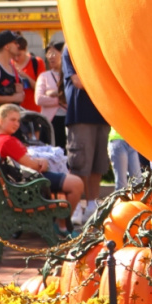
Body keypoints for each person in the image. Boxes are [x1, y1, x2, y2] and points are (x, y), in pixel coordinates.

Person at [0, 104, 84, 226]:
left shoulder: (0, 139)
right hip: (29, 184)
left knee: (71, 182)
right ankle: (62, 226)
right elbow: (33, 166)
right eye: (12, 120)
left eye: (18, 120)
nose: (17, 124)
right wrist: (44, 162)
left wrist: (39, 161)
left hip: (24, 181)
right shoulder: (7, 141)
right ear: (0, 120)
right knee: (77, 184)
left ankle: (60, 223)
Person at [62, 46, 112, 222]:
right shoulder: (72, 49)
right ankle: (75, 207)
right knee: (80, 163)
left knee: (98, 164)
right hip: (80, 115)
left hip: (102, 114)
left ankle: (92, 205)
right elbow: (78, 82)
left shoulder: (100, 48)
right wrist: (102, 80)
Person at [35, 42, 67, 148]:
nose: (50, 57)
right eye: (48, 54)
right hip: (50, 121)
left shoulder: (70, 75)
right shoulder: (44, 76)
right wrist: (60, 99)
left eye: (54, 53)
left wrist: (55, 94)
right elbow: (39, 99)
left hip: (68, 119)